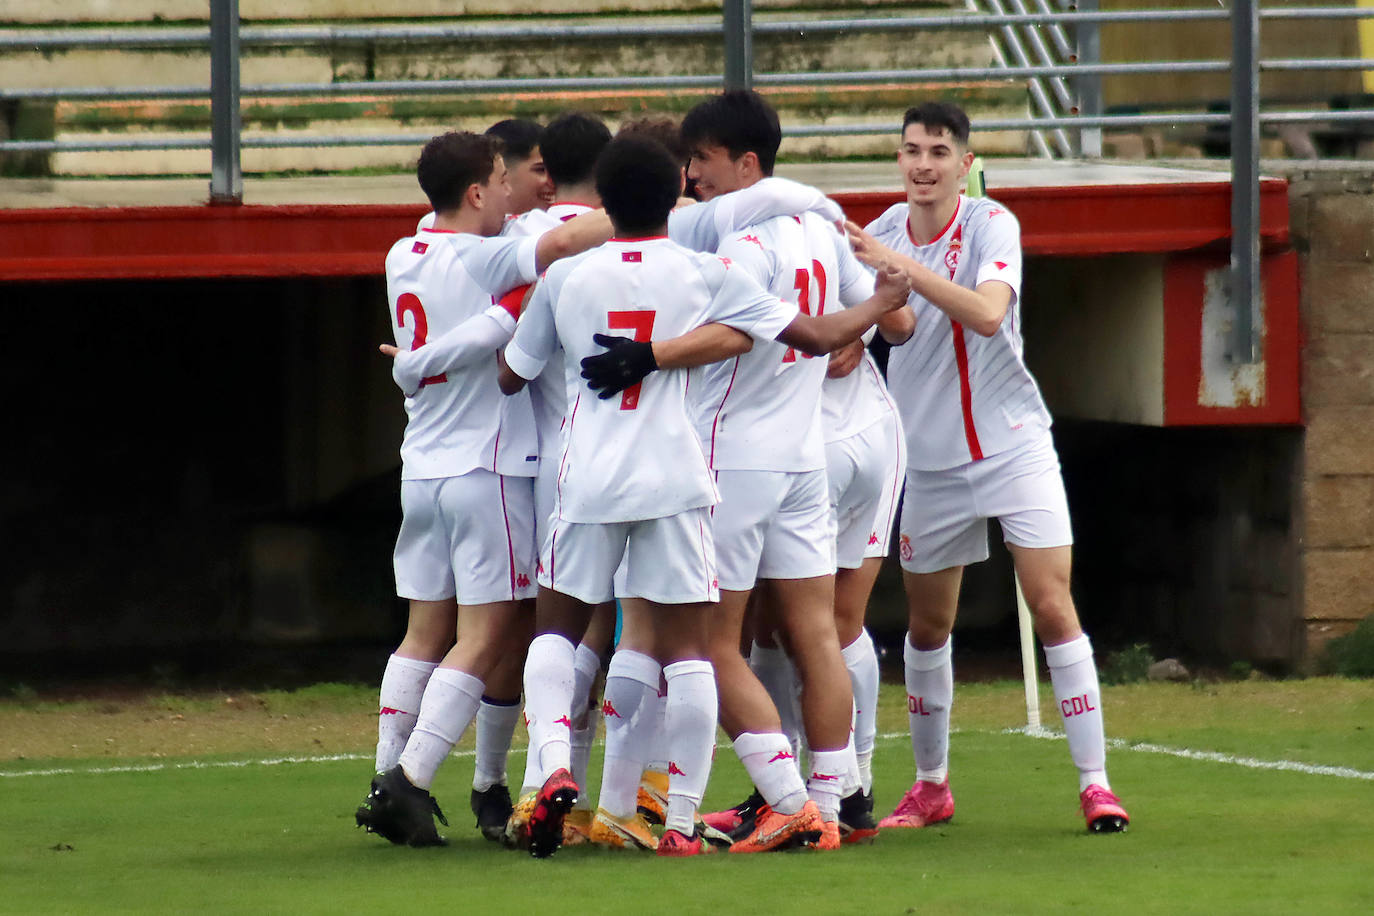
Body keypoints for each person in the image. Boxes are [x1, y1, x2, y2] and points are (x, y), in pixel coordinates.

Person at [507, 134, 908, 859]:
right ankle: (702, 820)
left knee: (558, 634)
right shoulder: (706, 271)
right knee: (693, 648)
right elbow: (814, 335)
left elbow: (513, 372)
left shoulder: (566, 278)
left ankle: (553, 775)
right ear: (677, 199)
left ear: (603, 200)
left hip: (588, 477)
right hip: (677, 477)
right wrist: (879, 302)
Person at [844, 101, 1130, 834]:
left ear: (964, 164)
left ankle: (1096, 784)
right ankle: (931, 783)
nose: (923, 165)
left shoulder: (992, 225)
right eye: (912, 150)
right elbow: (886, 325)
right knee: (929, 626)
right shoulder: (875, 236)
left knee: (1051, 604)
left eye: (939, 151)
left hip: (1014, 443)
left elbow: (988, 314)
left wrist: (900, 272)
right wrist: (872, 312)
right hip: (930, 460)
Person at [354, 130, 605, 848]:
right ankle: (409, 780)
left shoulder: (405, 251)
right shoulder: (485, 254)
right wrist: (641, 200)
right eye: (500, 180)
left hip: (422, 466)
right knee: (490, 632)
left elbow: (491, 320)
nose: (507, 192)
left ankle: (386, 777)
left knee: (421, 633)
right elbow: (555, 249)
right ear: (475, 193)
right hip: (486, 465)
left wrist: (417, 362)